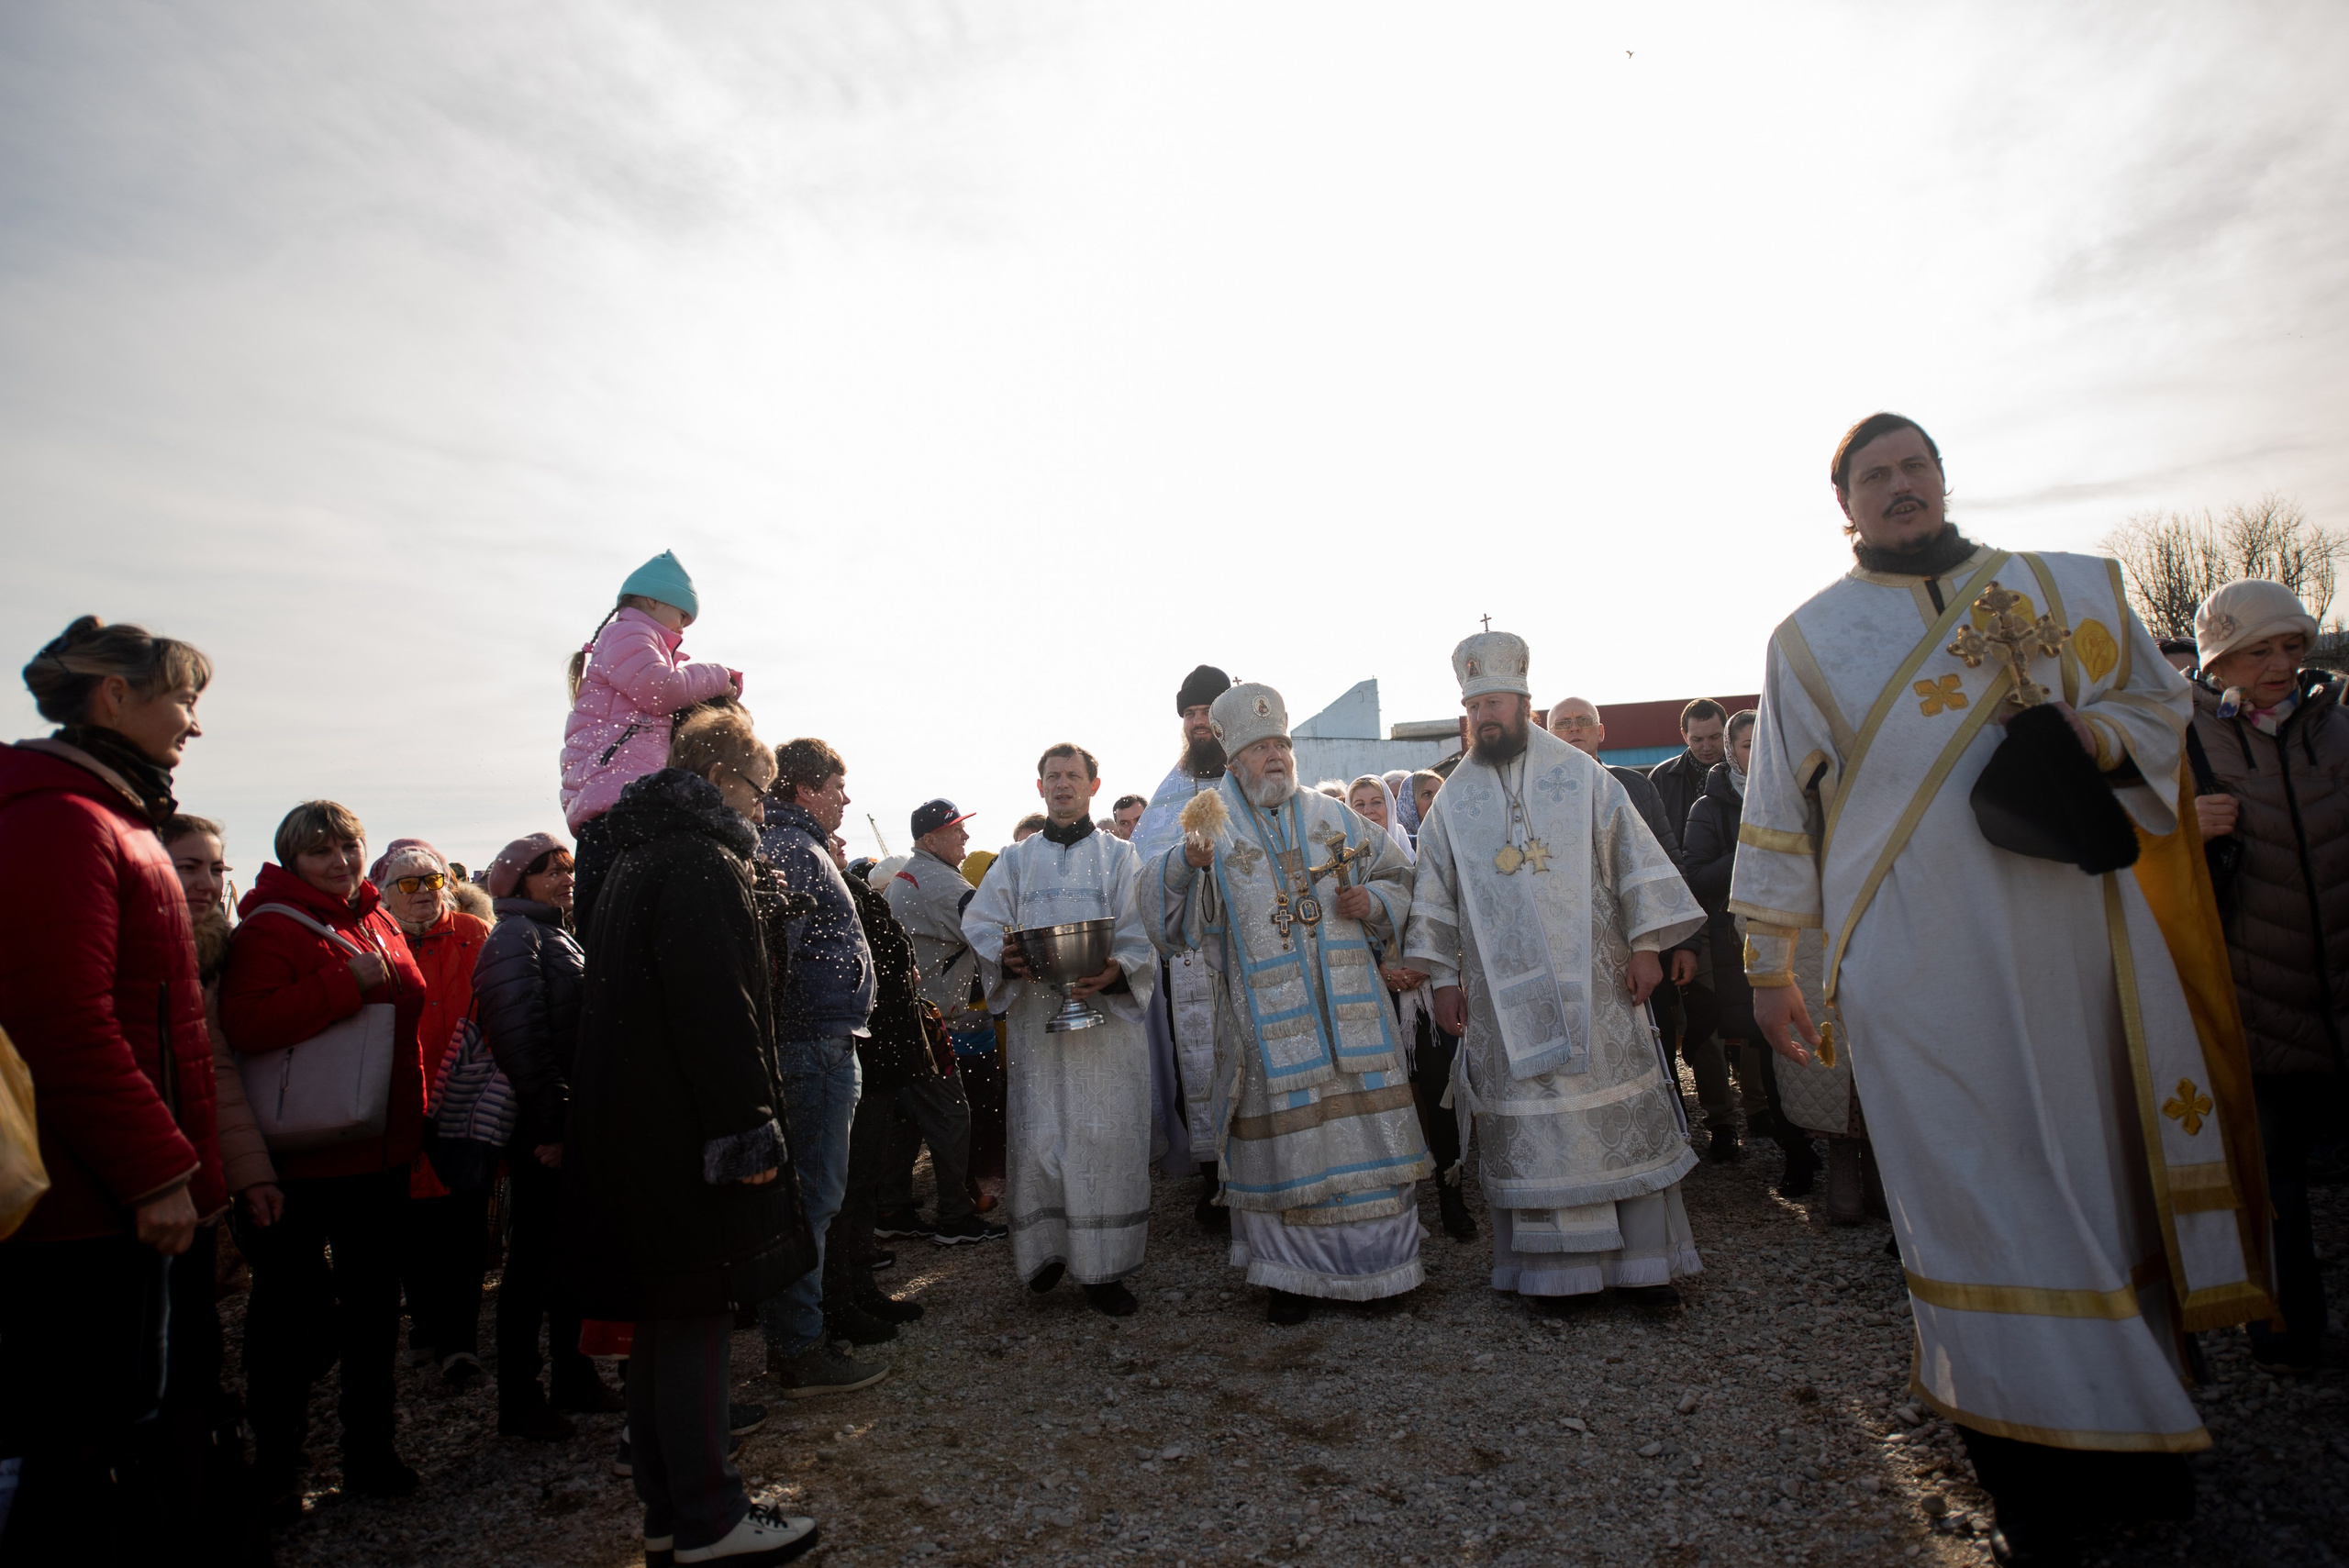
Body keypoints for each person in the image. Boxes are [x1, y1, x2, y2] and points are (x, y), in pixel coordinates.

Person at [1733, 412, 2271, 1562]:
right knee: (1975, 1192)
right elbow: (1775, 811)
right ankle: (2025, 1465)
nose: (1898, 487)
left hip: (2081, 941)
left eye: (1912, 465)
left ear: (1940, 478)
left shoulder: (2064, 589)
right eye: (1871, 476)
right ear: (1845, 508)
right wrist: (1770, 966)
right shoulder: (1810, 641)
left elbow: (2161, 709)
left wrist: (2085, 730)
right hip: (1918, 968)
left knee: (2102, 1166)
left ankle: (2146, 1437)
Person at [558, 725, 821, 1566]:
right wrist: (748, 1127)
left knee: (663, 1327)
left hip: (638, 1133)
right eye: (756, 782)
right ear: (715, 775)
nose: (761, 800)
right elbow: (717, 1010)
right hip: (685, 1137)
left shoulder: (633, 857)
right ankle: (713, 1517)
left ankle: (670, 1511)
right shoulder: (702, 863)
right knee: (698, 1322)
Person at [0, 619, 231, 1561]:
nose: (194, 724)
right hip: (89, 1211)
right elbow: (64, 1023)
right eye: (182, 698)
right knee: (82, 1446)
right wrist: (156, 1173)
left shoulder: (109, 814)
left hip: (117, 1198)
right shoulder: (62, 820)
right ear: (115, 697)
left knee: (129, 1433)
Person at [1406, 635, 1708, 1312]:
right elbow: (1435, 895)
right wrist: (1444, 979)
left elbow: (1631, 859)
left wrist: (1647, 944)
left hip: (1598, 983)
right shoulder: (1453, 801)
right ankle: (1554, 1276)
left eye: (1497, 703)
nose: (1487, 715)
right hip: (1502, 999)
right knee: (1534, 1124)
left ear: (1525, 704)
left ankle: (1645, 1269)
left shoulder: (1583, 776)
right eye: (1475, 704)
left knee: (1613, 1114)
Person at [1145, 684, 1430, 1324]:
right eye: (1259, 747)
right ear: (1236, 757)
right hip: (1266, 1022)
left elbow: (1400, 873)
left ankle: (1380, 1272)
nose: (1275, 757)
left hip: (1352, 1011)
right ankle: (1291, 1281)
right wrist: (1187, 863)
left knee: (1364, 1144)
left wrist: (1375, 904)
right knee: (1284, 1150)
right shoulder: (1210, 818)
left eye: (1281, 745)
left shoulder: (1333, 817)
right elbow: (1165, 916)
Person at [221, 799, 429, 1507]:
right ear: (291, 859)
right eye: (319, 852)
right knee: (288, 1317)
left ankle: (369, 1453)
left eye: (348, 847)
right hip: (307, 1156)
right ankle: (277, 1467)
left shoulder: (373, 915)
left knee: (374, 1311)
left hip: (379, 1145)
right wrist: (346, 983)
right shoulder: (270, 926)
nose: (338, 861)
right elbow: (244, 1023)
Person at [2187, 578, 2345, 1374]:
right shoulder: (2186, 744)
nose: (2281, 663)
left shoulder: (2339, 729)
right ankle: (2288, 1326)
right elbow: (2135, 849)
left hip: (2343, 976)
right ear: (2221, 660)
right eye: (2260, 649)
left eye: (2292, 645)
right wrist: (2184, 828)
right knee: (2273, 1167)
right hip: (2255, 981)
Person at [962, 743, 1156, 1317]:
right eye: (1053, 776)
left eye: (1074, 776)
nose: (1063, 785)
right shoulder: (1016, 860)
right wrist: (1005, 957)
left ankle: (1105, 1267)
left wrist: (1119, 967)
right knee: (1040, 1137)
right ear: (1039, 786)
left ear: (1095, 786)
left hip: (1107, 1035)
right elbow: (982, 922)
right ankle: (1044, 1251)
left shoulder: (1122, 857)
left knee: (1105, 1138)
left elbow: (1140, 928)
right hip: (1036, 1029)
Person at [473, 830, 627, 1436]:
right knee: (532, 1264)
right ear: (516, 882)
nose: (564, 879)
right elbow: (521, 1042)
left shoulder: (551, 934)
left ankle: (573, 1375)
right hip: (543, 1130)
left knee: (564, 1258)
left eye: (567, 868)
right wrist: (552, 1125)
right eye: (548, 870)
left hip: (565, 1121)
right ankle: (521, 1397)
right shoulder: (514, 939)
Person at [756, 738, 885, 1397]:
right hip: (810, 1047)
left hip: (824, 1042)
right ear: (805, 789)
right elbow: (776, 959)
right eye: (839, 785)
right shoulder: (790, 851)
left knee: (816, 1196)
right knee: (810, 1198)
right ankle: (799, 1345)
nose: (847, 797)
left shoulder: (797, 848)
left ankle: (801, 1335)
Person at [1548, 699, 1727, 1156]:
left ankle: (1665, 1138)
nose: (1573, 731)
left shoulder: (1632, 786)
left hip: (1638, 943)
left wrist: (1684, 941)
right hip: (1569, 949)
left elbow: (1667, 859)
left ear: (1601, 732)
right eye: (1562, 724)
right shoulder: (1533, 793)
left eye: (1582, 722)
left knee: (1654, 1040)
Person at [370, 838, 496, 1395]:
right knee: (413, 1226)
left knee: (466, 1222)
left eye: (434, 881)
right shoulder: (377, 942)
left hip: (466, 1097)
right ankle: (426, 1324)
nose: (425, 893)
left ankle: (460, 1342)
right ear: (385, 894)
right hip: (400, 1098)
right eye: (409, 884)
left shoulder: (475, 935)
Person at [559, 550, 743, 924]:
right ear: (653, 600)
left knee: (611, 923)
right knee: (617, 922)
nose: (682, 628)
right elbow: (661, 690)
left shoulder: (630, 639)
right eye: (681, 615)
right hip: (616, 800)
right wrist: (720, 675)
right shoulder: (629, 632)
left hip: (614, 802)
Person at [831, 837, 953, 1341]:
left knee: (862, 1179)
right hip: (857, 1050)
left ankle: (858, 1287)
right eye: (835, 786)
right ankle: (838, 1300)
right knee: (846, 1184)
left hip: (878, 1056)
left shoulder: (844, 883)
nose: (841, 838)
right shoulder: (819, 880)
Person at [1130, 664, 1234, 1220]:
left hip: (1250, 948)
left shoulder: (1249, 773)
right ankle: (1214, 1178)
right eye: (1191, 715)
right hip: (1190, 954)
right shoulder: (1169, 793)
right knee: (1198, 1063)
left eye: (1207, 713)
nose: (1198, 723)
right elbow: (1144, 872)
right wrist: (1182, 865)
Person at [1347, 774, 1471, 1241]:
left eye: (1376, 801)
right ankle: (1398, 1210)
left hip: (1423, 996)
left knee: (1441, 1097)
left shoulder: (1416, 855)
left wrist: (1423, 967)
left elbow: (1438, 916)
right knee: (1388, 1106)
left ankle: (1452, 1196)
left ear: (1390, 806)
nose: (1368, 811)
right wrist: (1378, 973)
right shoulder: (1342, 868)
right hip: (1373, 999)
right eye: (1357, 804)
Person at [878, 798, 1000, 1244]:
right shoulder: (939, 881)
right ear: (930, 839)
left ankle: (890, 1208)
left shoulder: (912, 875)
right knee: (953, 1118)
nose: (965, 836)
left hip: (914, 1016)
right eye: (956, 829)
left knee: (909, 1117)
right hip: (940, 1023)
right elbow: (992, 931)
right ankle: (956, 1216)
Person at [1646, 697, 1727, 840]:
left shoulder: (1745, 772)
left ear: (1726, 731)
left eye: (1714, 737)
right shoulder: (1661, 777)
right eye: (1697, 739)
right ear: (1685, 735)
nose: (1707, 747)